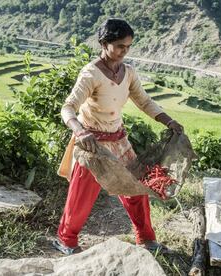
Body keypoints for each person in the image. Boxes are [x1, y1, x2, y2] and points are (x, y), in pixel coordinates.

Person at [54, 18, 184, 255]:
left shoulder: (128, 72)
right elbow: (68, 107)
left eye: (128, 47)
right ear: (104, 43)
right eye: (120, 46)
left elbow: (144, 101)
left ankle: (145, 239)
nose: (124, 51)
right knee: (82, 196)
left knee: (135, 189)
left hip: (119, 140)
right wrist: (80, 131)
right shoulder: (91, 73)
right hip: (92, 144)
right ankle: (67, 240)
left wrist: (168, 120)